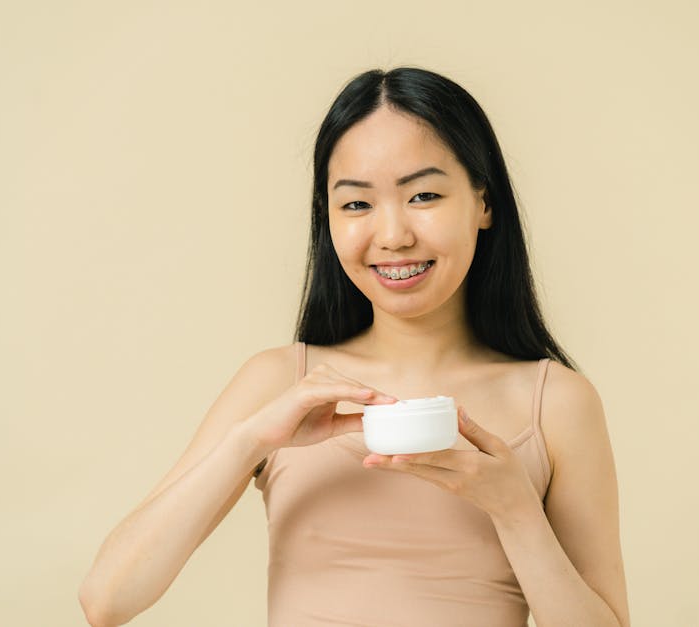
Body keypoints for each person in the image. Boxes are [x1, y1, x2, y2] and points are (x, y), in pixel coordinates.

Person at [79, 66, 630, 627]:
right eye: (357, 205)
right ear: (329, 219)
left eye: (424, 194)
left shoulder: (556, 402)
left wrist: (516, 512)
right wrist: (249, 442)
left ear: (483, 203)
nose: (392, 235)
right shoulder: (280, 383)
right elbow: (108, 600)